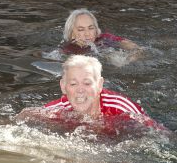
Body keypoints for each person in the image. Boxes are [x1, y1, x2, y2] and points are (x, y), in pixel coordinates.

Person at [17, 55, 164, 135]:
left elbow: (160, 134)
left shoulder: (120, 107)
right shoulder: (58, 109)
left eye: (87, 83)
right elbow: (24, 115)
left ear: (99, 85)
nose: (80, 90)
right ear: (63, 86)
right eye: (73, 84)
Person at [60, 8, 139, 55]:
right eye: (81, 29)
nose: (87, 34)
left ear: (96, 30)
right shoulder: (67, 50)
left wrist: (131, 58)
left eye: (91, 28)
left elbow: (135, 48)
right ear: (71, 34)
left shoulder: (105, 38)